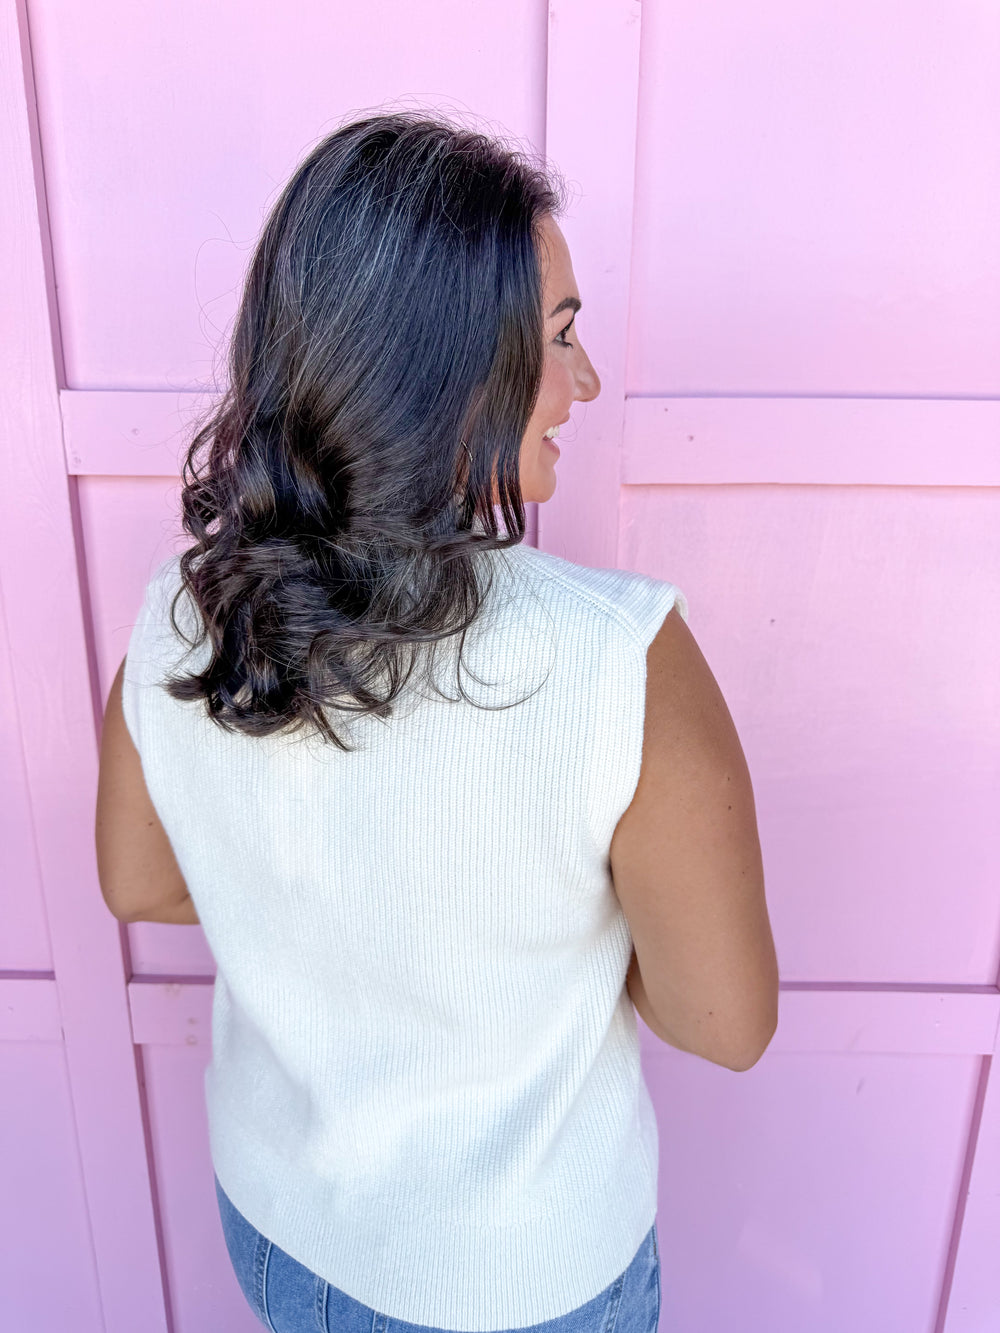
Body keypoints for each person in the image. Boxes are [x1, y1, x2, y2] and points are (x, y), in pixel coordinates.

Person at [95, 111, 779, 1333]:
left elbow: (140, 882)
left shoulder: (182, 613)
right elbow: (722, 1023)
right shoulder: (619, 659)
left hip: (277, 1227)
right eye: (559, 336)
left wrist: (336, 909)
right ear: (448, 366)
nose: (588, 382)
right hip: (514, 1289)